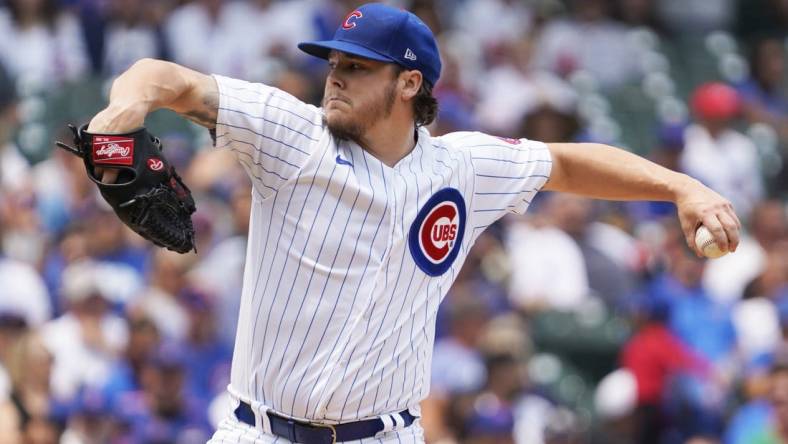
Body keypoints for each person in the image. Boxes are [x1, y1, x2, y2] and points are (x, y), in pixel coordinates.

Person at [84, 3, 740, 443]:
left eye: (356, 67)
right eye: (333, 64)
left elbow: (567, 163)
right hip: (260, 429)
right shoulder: (292, 133)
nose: (333, 79)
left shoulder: (463, 167)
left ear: (408, 84)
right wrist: (122, 112)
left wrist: (680, 186)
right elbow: (160, 75)